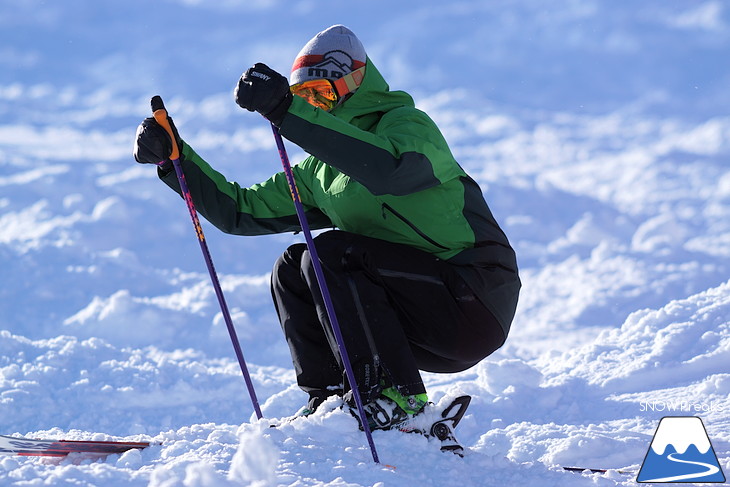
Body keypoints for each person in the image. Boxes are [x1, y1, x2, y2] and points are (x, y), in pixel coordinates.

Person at [134, 25, 520, 430]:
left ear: (355, 79)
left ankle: (394, 400)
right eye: (306, 99)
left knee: (333, 252)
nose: (316, 108)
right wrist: (176, 161)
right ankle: (332, 402)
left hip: (473, 299)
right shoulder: (318, 172)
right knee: (293, 263)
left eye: (323, 94)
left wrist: (287, 111)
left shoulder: (407, 125)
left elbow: (391, 172)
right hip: (411, 317)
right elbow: (240, 211)